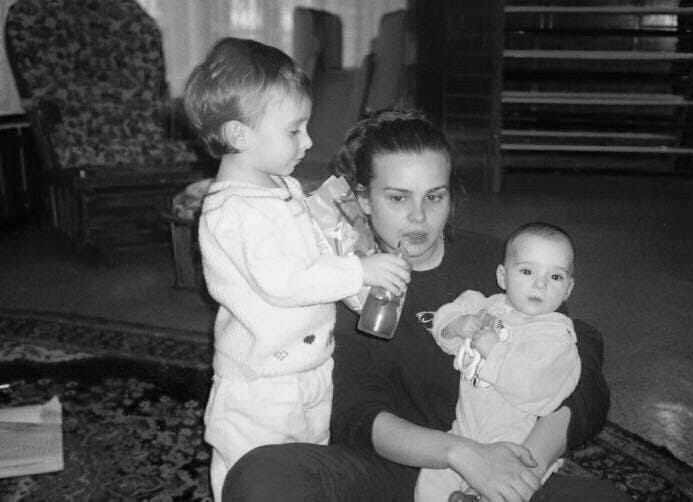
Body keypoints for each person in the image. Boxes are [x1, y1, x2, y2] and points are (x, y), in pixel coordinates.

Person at [222, 109, 630, 502]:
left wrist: (519, 471)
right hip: (397, 470)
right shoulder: (344, 283)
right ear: (363, 199)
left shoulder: (500, 265)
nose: (418, 217)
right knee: (262, 476)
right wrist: (461, 454)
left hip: (513, 456)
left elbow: (581, 369)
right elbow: (355, 413)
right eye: (398, 198)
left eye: (434, 196)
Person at [183, 38, 411, 501]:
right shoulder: (231, 212)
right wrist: (357, 272)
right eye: (294, 130)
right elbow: (283, 281)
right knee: (249, 470)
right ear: (240, 136)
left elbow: (310, 257)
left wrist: (349, 269)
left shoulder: (282, 187)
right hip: (260, 385)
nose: (308, 142)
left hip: (310, 368)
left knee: (307, 463)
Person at [415, 222, 582, 502]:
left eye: (555, 277)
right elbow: (446, 320)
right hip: (464, 430)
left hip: (515, 442)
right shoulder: (486, 306)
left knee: (505, 494)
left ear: (568, 289)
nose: (540, 284)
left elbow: (536, 390)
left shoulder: (556, 336)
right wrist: (458, 324)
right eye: (527, 271)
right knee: (431, 481)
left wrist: (495, 351)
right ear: (503, 277)